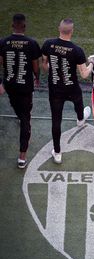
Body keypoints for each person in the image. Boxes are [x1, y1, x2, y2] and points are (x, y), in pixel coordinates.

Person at [42, 18, 94, 164]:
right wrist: (91, 63)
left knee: (56, 120)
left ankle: (57, 153)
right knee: (79, 102)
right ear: (72, 31)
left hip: (55, 88)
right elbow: (84, 74)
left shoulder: (48, 44)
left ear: (59, 28)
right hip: (71, 88)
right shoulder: (77, 50)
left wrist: (52, 68)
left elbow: (44, 66)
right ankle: (80, 120)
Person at [0, 14, 41, 169]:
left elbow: (1, 62)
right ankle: (22, 156)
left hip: (10, 85)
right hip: (25, 87)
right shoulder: (31, 43)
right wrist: (37, 77)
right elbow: (35, 65)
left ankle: (21, 116)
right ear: (24, 26)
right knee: (25, 119)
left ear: (12, 26)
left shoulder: (3, 42)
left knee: (17, 108)